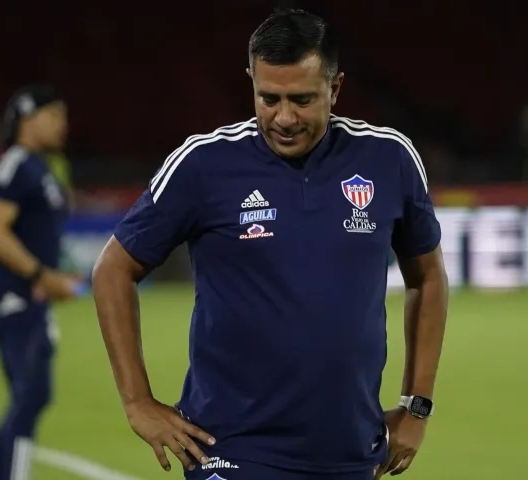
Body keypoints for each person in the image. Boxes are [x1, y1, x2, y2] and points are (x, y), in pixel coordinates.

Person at [91, 8, 449, 480]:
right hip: (230, 447)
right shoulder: (204, 164)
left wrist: (415, 407)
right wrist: (137, 402)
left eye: (301, 100)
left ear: (335, 89)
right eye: (268, 97)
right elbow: (113, 269)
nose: (283, 117)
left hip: (350, 452)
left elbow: (427, 276)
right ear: (250, 82)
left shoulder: (389, 159)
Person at [0, 85, 84, 480]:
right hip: (12, 297)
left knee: (30, 397)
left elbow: (39, 234)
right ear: (26, 119)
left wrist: (58, 274)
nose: (63, 125)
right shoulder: (16, 164)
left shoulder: (40, 167)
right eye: (54, 115)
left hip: (29, 295)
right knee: (33, 394)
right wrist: (40, 276)